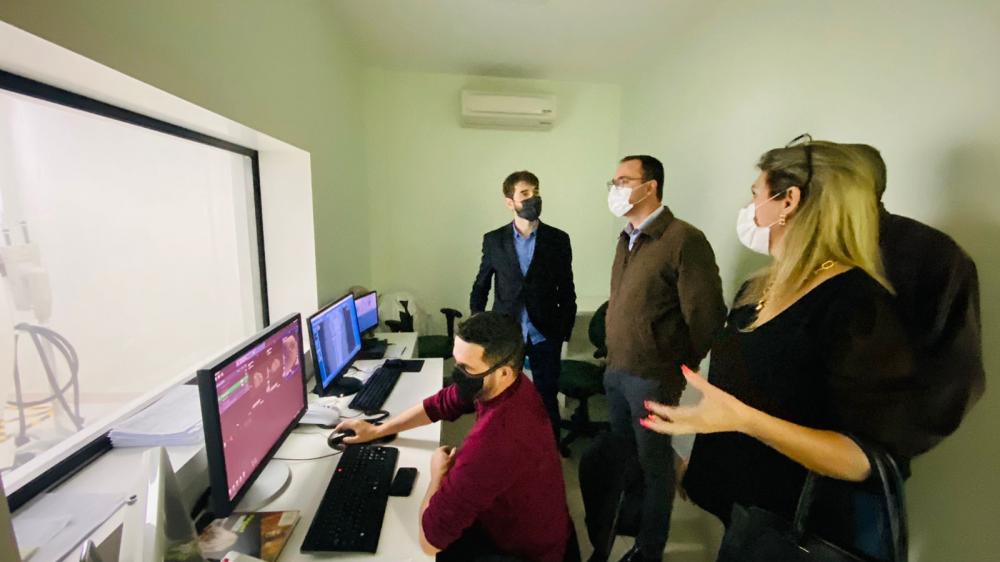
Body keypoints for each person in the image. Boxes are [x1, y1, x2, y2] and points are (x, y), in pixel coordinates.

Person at [644, 138, 927, 557]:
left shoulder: (855, 302)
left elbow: (860, 459)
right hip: (742, 515)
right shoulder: (757, 286)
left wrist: (744, 420)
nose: (750, 207)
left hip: (797, 530)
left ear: (788, 200)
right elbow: (733, 387)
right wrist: (696, 460)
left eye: (755, 194)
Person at [334, 312, 576, 562]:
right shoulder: (510, 383)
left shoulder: (495, 440)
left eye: (467, 369)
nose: (458, 375)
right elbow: (442, 403)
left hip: (526, 551)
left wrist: (437, 474)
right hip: (532, 524)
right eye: (457, 364)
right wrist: (378, 429)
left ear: (503, 372)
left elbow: (430, 542)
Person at [599, 155, 727, 562]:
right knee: (626, 459)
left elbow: (706, 316)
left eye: (624, 180)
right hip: (617, 370)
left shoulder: (684, 239)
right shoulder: (627, 238)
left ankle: (648, 550)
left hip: (653, 377)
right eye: (613, 181)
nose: (615, 188)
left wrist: (675, 364)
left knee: (656, 467)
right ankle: (633, 521)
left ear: (650, 186)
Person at [848, 143, 984, 448]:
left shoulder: (931, 255)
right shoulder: (804, 255)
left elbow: (955, 379)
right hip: (762, 460)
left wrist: (870, 448)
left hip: (852, 468)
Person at [470, 170, 577, 442]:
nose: (533, 199)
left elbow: (567, 291)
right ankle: (501, 451)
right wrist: (478, 329)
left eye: (536, 192)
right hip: (506, 335)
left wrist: (562, 332)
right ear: (510, 202)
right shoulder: (494, 240)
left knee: (545, 397)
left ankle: (547, 455)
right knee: (500, 398)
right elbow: (481, 285)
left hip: (545, 334)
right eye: (525, 194)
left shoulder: (558, 239)